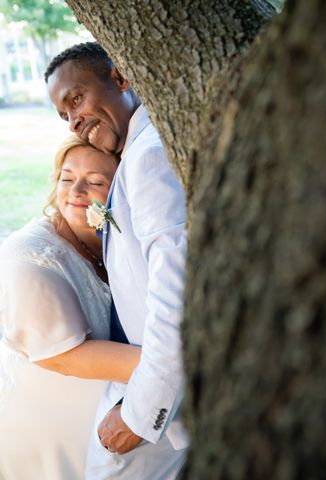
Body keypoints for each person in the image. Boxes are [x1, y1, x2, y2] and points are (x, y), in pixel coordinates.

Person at [45, 42, 188, 479]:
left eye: (76, 98)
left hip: (161, 399)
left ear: (121, 77)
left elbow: (177, 290)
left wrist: (141, 414)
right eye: (64, 114)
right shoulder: (137, 153)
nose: (74, 120)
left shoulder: (148, 157)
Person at [0, 136, 142, 480]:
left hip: (109, 435)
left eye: (95, 182)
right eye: (66, 178)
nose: (76, 190)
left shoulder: (121, 237)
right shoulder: (28, 260)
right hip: (50, 438)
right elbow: (63, 357)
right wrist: (182, 367)